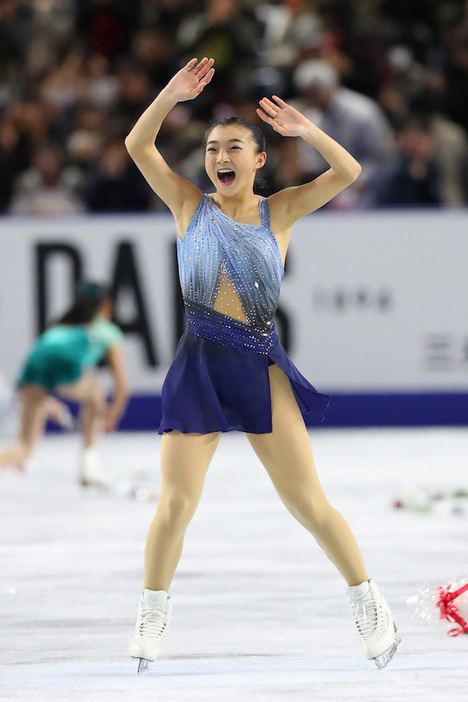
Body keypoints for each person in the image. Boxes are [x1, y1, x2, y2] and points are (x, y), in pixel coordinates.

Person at [124, 57, 400, 673]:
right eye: (212, 148)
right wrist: (169, 94)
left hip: (259, 366)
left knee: (307, 502)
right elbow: (138, 143)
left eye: (234, 148)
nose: (220, 157)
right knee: (174, 503)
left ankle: (369, 602)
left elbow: (348, 170)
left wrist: (306, 130)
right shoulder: (187, 204)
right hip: (198, 364)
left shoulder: (282, 211)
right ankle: (152, 610)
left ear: (258, 160)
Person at [0, 282, 128, 487]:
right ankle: (89, 464)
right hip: (63, 370)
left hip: (33, 367)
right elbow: (121, 386)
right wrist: (112, 414)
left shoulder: (60, 327)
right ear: (107, 306)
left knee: (26, 446)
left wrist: (47, 402)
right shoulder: (106, 330)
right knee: (95, 392)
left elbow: (43, 369)